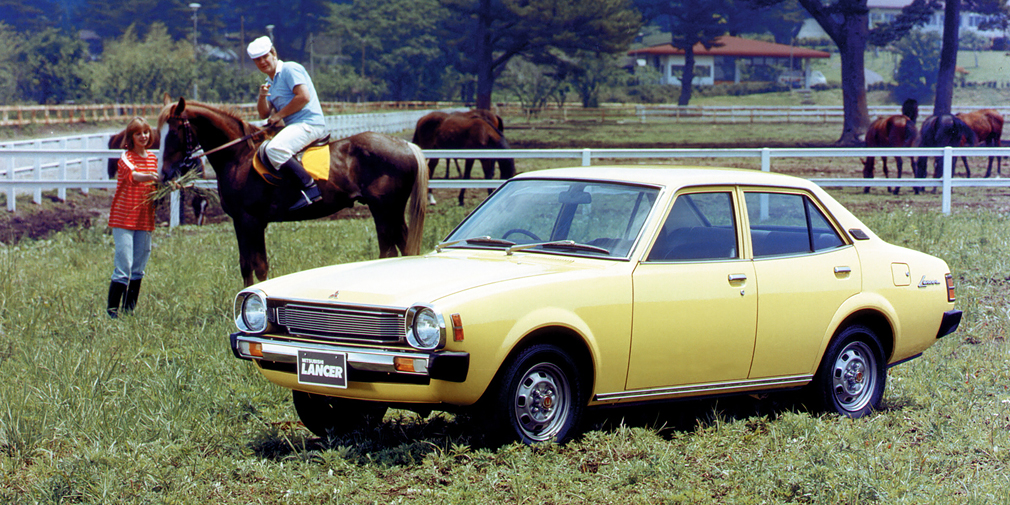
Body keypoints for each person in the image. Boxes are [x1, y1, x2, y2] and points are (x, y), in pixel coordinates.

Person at [247, 35, 326, 211]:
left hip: (309, 123)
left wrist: (279, 115)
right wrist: (262, 96)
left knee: (274, 149)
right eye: (257, 60)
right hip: (295, 126)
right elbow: (264, 113)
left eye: (265, 57)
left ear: (273, 54)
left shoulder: (290, 69)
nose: (262, 62)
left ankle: (311, 189)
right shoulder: (269, 82)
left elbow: (303, 97)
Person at [106, 117, 158, 318]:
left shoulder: (153, 158)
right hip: (124, 217)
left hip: (144, 219)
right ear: (131, 137)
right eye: (138, 133)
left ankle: (128, 312)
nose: (143, 136)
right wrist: (151, 176)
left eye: (145, 132)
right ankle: (112, 313)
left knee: (138, 268)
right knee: (124, 266)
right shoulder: (126, 156)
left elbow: (156, 184)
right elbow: (133, 175)